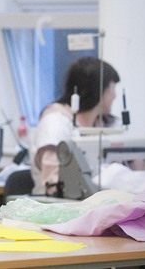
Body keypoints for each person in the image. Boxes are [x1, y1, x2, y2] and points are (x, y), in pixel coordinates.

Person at [30, 56, 121, 195]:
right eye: (112, 88)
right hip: (60, 206)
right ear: (98, 91)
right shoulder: (56, 122)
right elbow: (52, 184)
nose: (114, 95)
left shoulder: (102, 124)